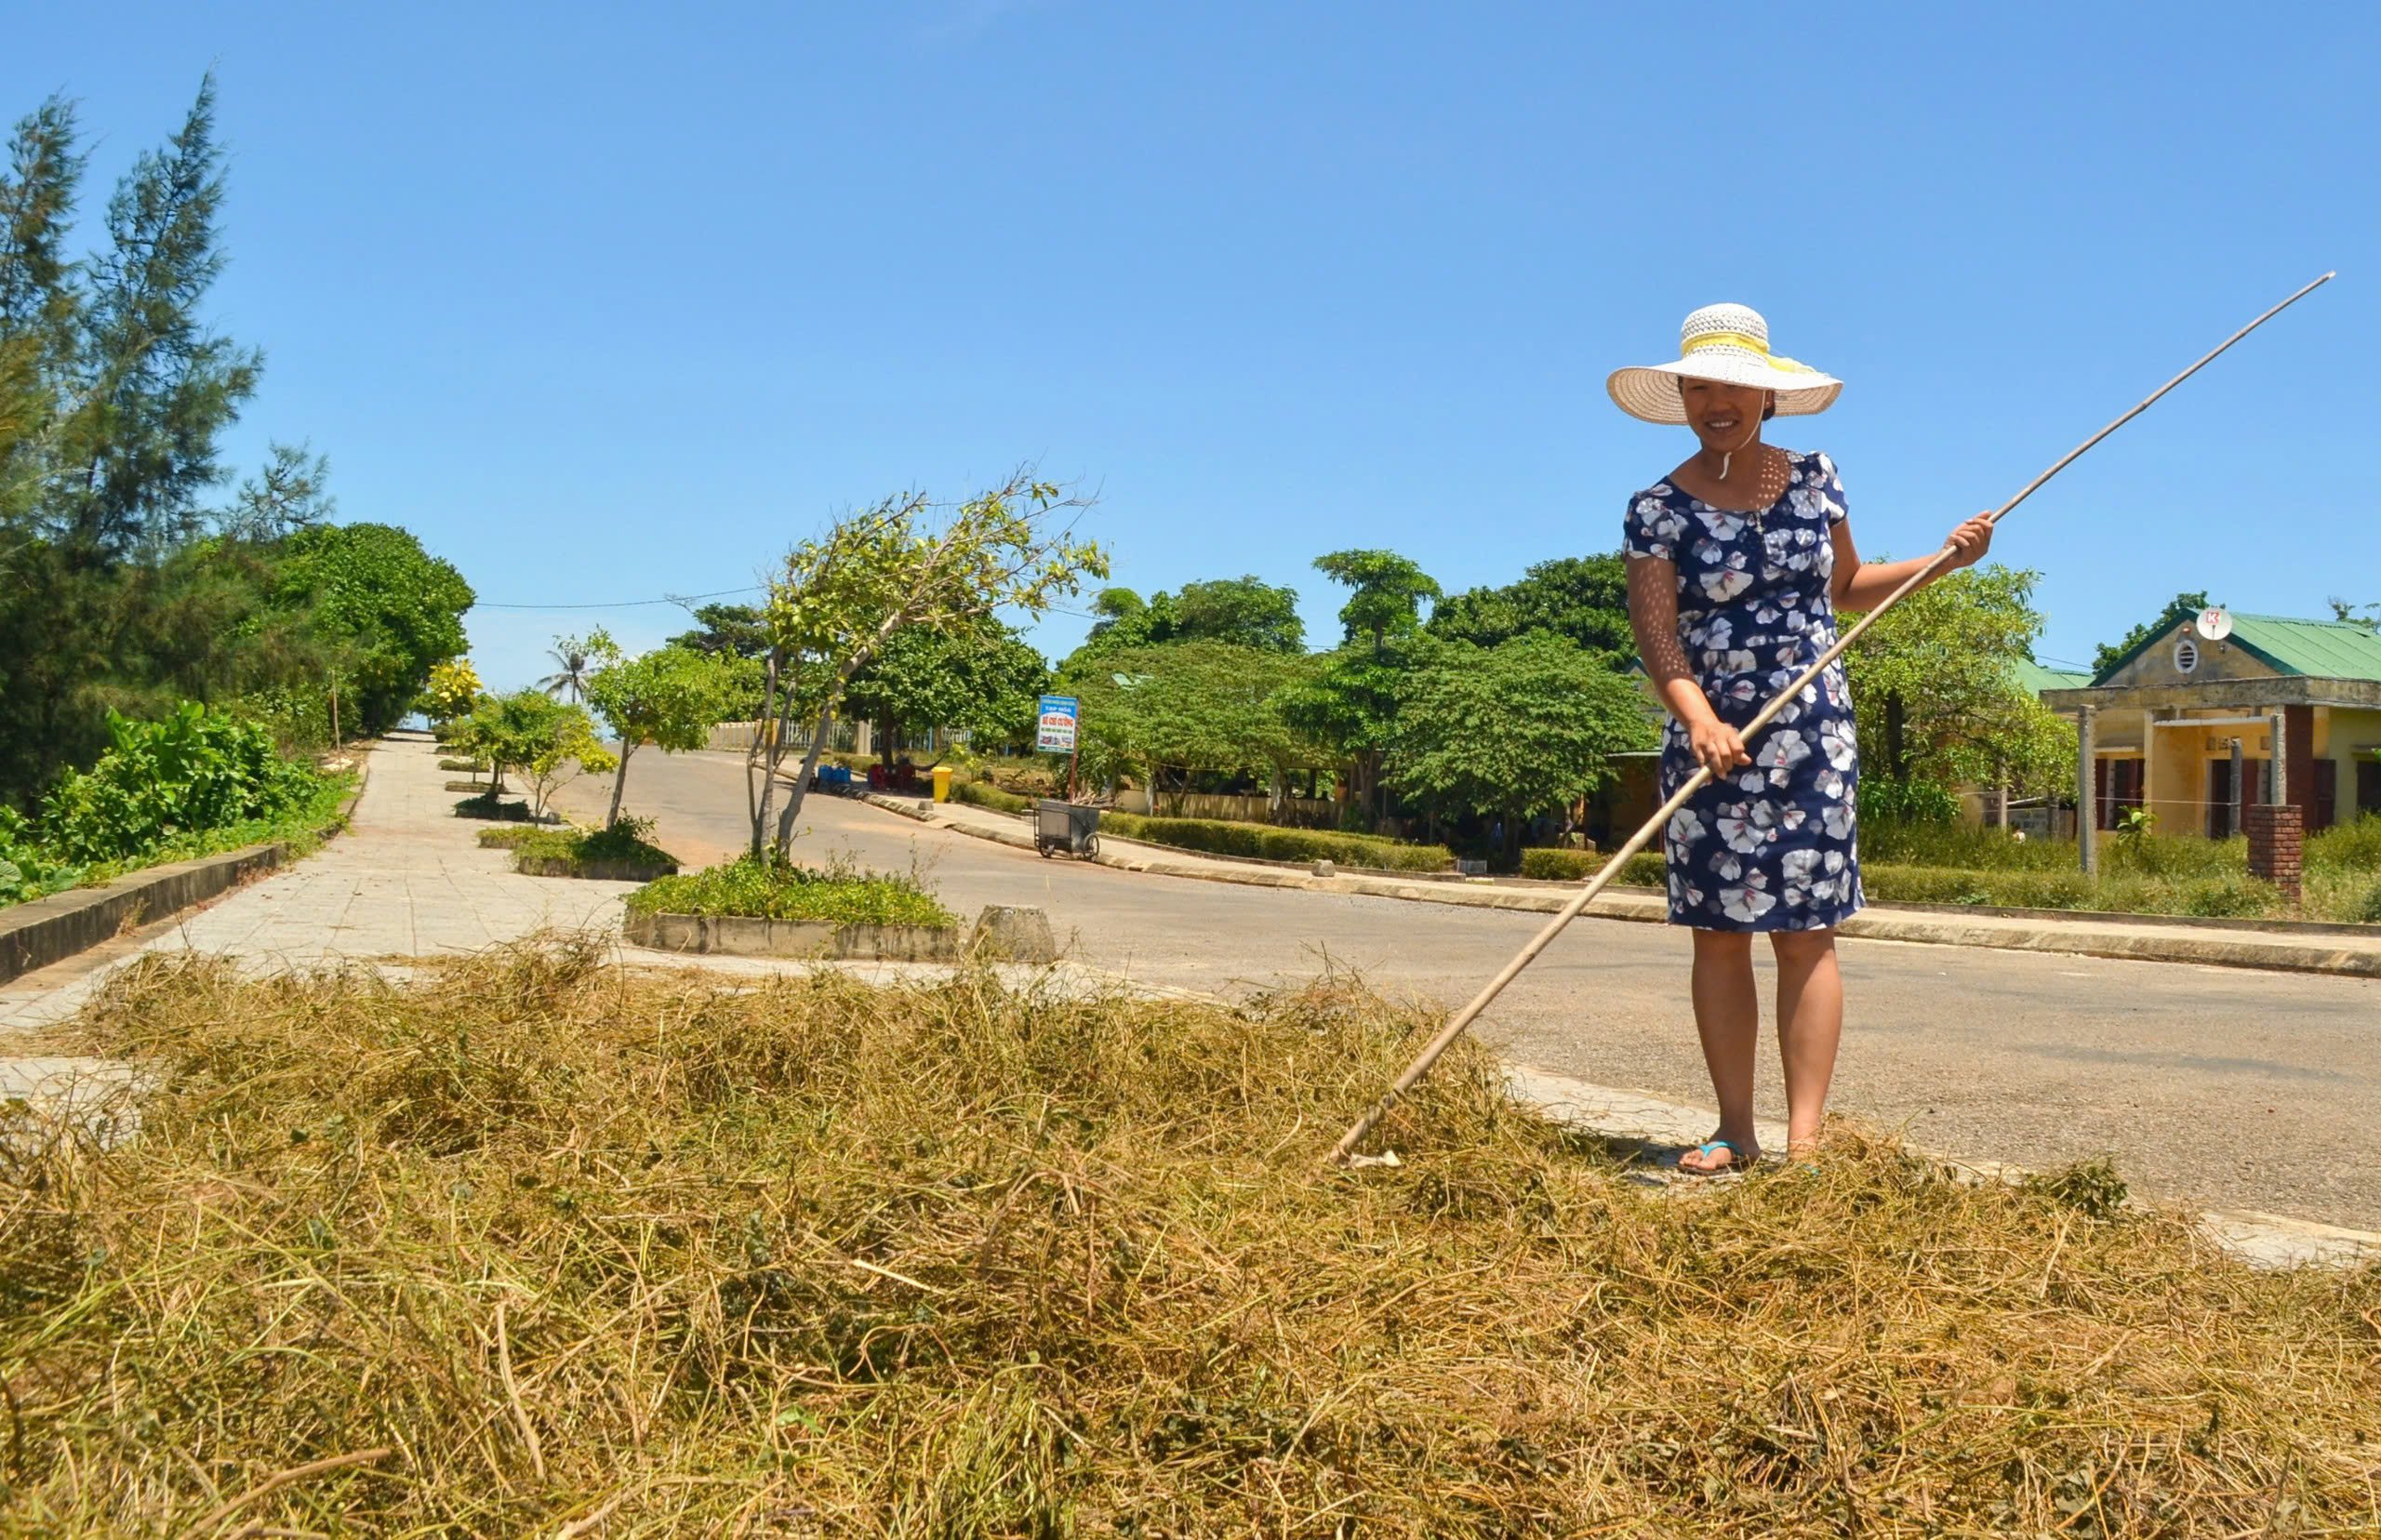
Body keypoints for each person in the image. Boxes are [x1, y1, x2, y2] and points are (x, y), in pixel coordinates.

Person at [1611, 303, 1993, 1175]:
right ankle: (1734, 1129)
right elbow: (1658, 637)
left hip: (1811, 733)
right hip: (1711, 737)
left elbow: (1849, 588)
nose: (1719, 400)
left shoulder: (1817, 477)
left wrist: (1945, 562)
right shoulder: (1655, 510)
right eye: (1702, 384)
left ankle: (1807, 1146)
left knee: (1807, 931)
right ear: (1680, 394)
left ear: (1767, 397)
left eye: (1736, 386)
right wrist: (1699, 720)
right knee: (1719, 931)